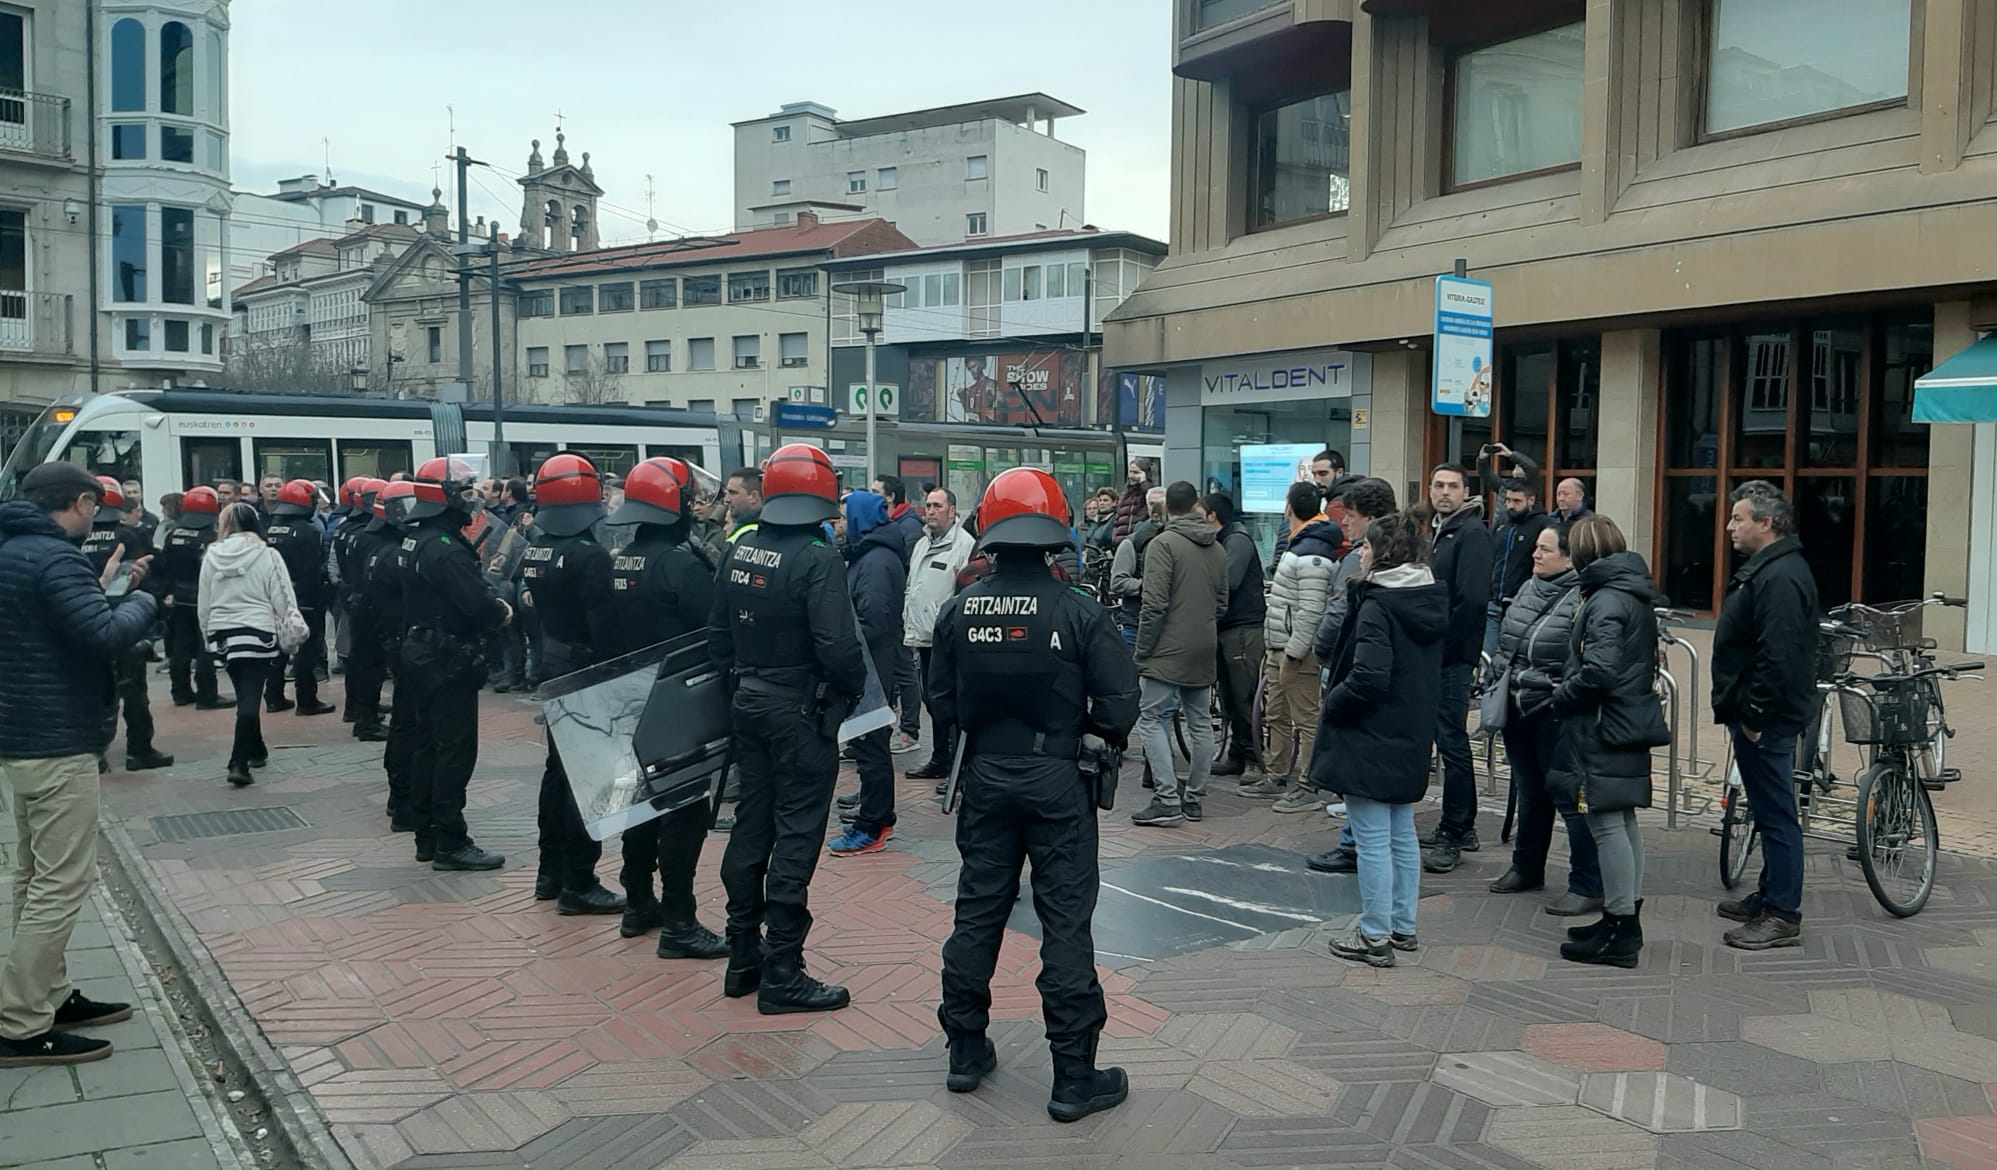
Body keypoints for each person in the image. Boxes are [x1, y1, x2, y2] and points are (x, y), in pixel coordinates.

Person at [930, 467, 1139, 1122]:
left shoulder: (958, 607)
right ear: (1054, 531)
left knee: (977, 912)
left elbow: (939, 702)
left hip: (986, 776)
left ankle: (965, 1050)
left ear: (988, 531)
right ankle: (1073, 1077)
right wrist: (1081, 730)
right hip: (1057, 780)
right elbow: (1120, 705)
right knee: (1065, 922)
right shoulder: (1076, 609)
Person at [0, 464, 159, 1068]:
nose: (98, 519)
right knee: (62, 882)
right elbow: (100, 635)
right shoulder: (54, 558)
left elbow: (50, 627)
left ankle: (48, 995)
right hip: (56, 739)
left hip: (20, 733)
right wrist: (140, 601)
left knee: (34, 874)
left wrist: (99, 586)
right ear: (81, 501)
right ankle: (20, 1022)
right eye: (95, 507)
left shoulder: (13, 551)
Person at [708, 443, 868, 1014]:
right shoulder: (816, 556)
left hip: (749, 700)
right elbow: (839, 647)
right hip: (799, 711)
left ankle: (742, 957)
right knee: (796, 837)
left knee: (752, 825)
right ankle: (783, 971)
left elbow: (717, 634)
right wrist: (846, 692)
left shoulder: (742, 546)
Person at [602, 459, 728, 958]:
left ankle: (638, 903)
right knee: (683, 811)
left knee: (639, 803)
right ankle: (680, 920)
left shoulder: (620, 559)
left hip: (629, 700)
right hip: (676, 705)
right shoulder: (682, 565)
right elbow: (714, 631)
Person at [1313, 511, 1445, 967]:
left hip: (1370, 732)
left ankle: (1373, 934)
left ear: (1384, 553)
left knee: (1372, 838)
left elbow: (1368, 676)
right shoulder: (1427, 597)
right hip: (1409, 729)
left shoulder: (1378, 604)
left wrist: (1334, 702)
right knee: (1400, 833)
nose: (1360, 552)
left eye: (1367, 546)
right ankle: (1402, 925)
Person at [1546, 516, 1666, 968]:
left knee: (1606, 821)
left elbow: (1599, 670)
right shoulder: (1626, 591)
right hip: (1621, 718)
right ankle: (1623, 917)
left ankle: (1620, 926)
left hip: (1601, 723)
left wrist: (1561, 695)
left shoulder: (1606, 600)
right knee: (1621, 819)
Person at [1711, 481, 1818, 951]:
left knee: (1776, 813)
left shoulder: (1781, 577)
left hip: (1766, 717)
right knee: (1767, 808)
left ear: (1766, 523)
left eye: (1739, 518)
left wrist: (1754, 713)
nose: (1730, 526)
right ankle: (1770, 894)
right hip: (1757, 711)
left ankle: (1782, 913)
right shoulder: (1771, 570)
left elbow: (1779, 654)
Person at [519, 454, 626, 915]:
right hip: (586, 670)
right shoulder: (591, 556)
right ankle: (579, 881)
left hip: (552, 662)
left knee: (556, 773)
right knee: (586, 781)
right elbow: (605, 627)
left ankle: (550, 871)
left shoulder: (536, 549)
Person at [398, 458, 513, 871]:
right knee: (453, 750)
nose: (471, 498)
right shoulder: (445, 548)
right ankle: (450, 840)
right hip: (446, 658)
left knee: (428, 746)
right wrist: (501, 610)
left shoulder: (419, 539)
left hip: (423, 652)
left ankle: (428, 834)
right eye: (463, 491)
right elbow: (478, 604)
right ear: (442, 496)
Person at [1483, 524, 1604, 917]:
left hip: (1552, 708)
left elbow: (1574, 659)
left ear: (1569, 557)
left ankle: (1586, 883)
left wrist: (1545, 686)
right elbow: (1507, 641)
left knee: (1569, 798)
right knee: (1529, 790)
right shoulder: (1527, 586)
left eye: (1545, 549)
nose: (1535, 555)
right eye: (1535, 547)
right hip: (1516, 704)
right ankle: (1526, 866)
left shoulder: (1582, 597)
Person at [1304, 477, 1398, 859]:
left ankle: (1352, 844)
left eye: (1352, 516)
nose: (1344, 523)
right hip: (1389, 679)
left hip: (1354, 667)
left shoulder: (1362, 562)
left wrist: (1322, 650)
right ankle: (1355, 838)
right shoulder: (1413, 561)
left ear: (1371, 519)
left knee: (1353, 758)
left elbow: (1337, 612)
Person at [1128, 482, 1229, 828]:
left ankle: (1166, 797)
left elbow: (1154, 604)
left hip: (1166, 649)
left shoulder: (1163, 545)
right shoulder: (1217, 549)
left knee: (1152, 719)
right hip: (1204, 645)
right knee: (1199, 722)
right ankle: (1195, 797)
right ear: (1197, 505)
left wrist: (1143, 651)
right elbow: (1221, 603)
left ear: (1167, 508)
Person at [1419, 464, 1494, 873]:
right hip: (1436, 652)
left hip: (1452, 655)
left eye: (1452, 486)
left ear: (1466, 491)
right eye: (1438, 485)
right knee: (1445, 738)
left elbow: (1472, 599)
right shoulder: (1440, 530)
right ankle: (1458, 824)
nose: (1444, 492)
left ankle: (1456, 829)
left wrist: (1446, 647)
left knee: (1452, 740)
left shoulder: (1471, 533)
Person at [827, 489, 908, 855]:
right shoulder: (868, 556)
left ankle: (872, 825)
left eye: (845, 517)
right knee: (867, 745)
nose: (840, 525)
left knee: (871, 747)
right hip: (870, 665)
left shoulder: (876, 562)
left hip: (871, 669)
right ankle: (874, 815)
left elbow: (873, 621)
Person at [1249, 481, 1341, 800]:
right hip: (1280, 646)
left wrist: (1294, 652)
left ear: (1288, 507)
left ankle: (1308, 782)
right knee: (1276, 712)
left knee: (1305, 717)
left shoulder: (1313, 551)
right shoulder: (1300, 542)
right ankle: (1276, 774)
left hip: (1296, 652)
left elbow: (1311, 610)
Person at [198, 503, 301, 788]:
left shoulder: (212, 555)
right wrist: (288, 625)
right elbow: (282, 596)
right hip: (258, 631)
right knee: (250, 699)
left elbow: (204, 600)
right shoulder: (267, 554)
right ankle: (238, 762)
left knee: (244, 691)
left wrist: (207, 634)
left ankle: (256, 749)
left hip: (223, 634)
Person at [78, 478, 171, 774]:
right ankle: (139, 751)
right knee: (134, 690)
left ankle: (96, 754)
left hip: (88, 620)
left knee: (97, 691)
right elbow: (150, 576)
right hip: (126, 620)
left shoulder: (76, 536)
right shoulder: (131, 534)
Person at [903, 487, 977, 784]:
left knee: (950, 704)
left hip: (947, 641)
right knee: (931, 701)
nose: (930, 511)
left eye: (936, 506)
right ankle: (940, 758)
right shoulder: (921, 544)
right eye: (927, 505)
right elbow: (913, 588)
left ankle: (958, 764)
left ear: (951, 510)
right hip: (921, 637)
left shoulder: (965, 545)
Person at [1205, 493, 1267, 781]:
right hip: (1228, 627)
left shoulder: (1237, 541)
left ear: (1211, 516)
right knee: (1229, 697)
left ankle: (1254, 759)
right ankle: (1236, 755)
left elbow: (1227, 582)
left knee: (1243, 695)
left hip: (1243, 628)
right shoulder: (1223, 541)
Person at [262, 480, 337, 718]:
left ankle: (273, 697)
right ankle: (306, 699)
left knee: (278, 647)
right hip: (305, 598)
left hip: (275, 597)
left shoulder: (271, 529)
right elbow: (312, 570)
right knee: (307, 649)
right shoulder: (309, 531)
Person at [367, 481, 419, 816]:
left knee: (404, 718)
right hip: (402, 640)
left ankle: (399, 794)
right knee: (409, 721)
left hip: (391, 639)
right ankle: (402, 797)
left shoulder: (377, 547)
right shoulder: (394, 554)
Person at [153, 486, 231, 711]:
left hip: (178, 597)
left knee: (180, 647)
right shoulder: (211, 537)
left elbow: (163, 567)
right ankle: (208, 695)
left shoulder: (173, 534)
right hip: (204, 597)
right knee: (205, 647)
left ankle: (180, 693)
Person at [336, 479, 392, 740]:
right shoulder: (371, 537)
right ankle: (366, 720)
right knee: (370, 663)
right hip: (370, 605)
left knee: (359, 660)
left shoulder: (353, 531)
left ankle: (358, 710)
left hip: (355, 598)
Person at [1108, 486, 1166, 647]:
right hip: (1135, 622)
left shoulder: (1175, 543)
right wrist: (1148, 586)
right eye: (1154, 503)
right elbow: (1118, 581)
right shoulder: (1132, 543)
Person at [1110, 460, 1152, 546]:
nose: (1132, 476)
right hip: (1121, 542)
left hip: (1138, 542)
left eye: (1136, 472)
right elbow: (1117, 520)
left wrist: (1143, 482)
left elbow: (1150, 497)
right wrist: (1115, 538)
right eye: (1130, 472)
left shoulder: (1148, 492)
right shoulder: (1125, 495)